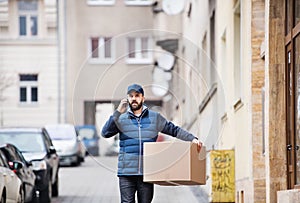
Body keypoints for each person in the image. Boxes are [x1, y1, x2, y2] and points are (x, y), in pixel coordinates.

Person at [101, 84, 203, 203]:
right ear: (127, 99)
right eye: (131, 96)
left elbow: (173, 130)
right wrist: (118, 112)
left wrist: (192, 139)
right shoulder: (121, 119)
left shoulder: (154, 118)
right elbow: (105, 133)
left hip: (147, 173)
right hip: (126, 173)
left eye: (137, 95)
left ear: (143, 98)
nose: (134, 98)